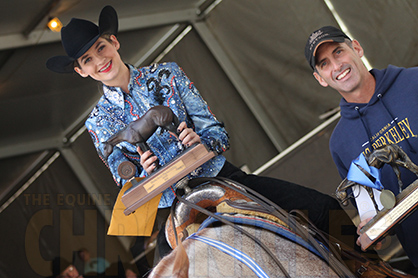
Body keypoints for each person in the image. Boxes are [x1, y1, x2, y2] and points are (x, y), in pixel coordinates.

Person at [46, 6, 363, 266]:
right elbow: (123, 178)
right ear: (81, 70)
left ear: (114, 42)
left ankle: (369, 267)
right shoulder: (97, 123)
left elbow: (217, 132)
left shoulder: (167, 74)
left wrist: (202, 141)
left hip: (222, 179)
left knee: (324, 209)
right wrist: (142, 169)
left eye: (100, 47)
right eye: (88, 59)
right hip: (170, 207)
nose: (99, 60)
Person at [305, 25, 418, 267]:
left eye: (338, 52)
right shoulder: (340, 143)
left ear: (356, 48)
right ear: (319, 79)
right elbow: (371, 208)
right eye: (324, 64)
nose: (336, 66)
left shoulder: (414, 82)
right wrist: (373, 230)